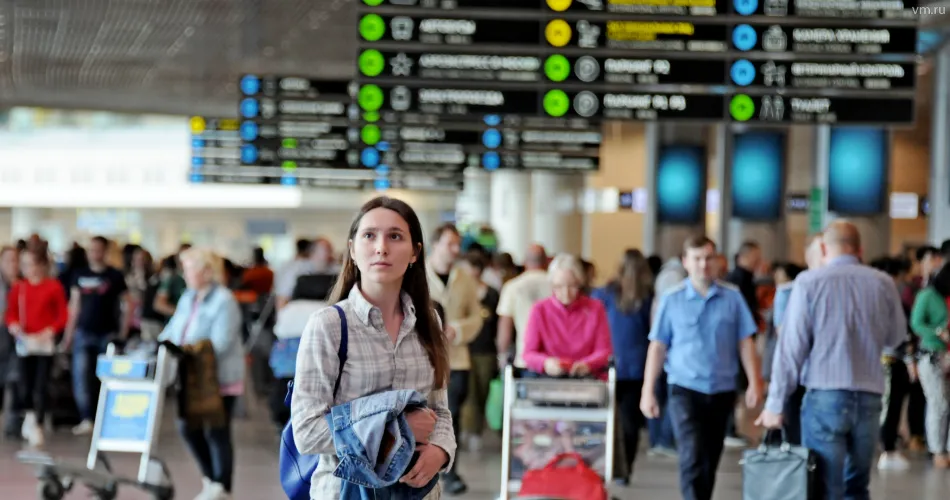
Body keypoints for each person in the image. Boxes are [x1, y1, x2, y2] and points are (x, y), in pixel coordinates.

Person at [291, 196, 455, 500]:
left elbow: (439, 410)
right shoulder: (329, 325)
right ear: (353, 250)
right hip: (346, 491)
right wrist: (395, 431)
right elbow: (307, 433)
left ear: (415, 252)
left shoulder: (428, 320)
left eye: (395, 236)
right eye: (369, 235)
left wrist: (441, 450)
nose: (381, 247)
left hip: (418, 493)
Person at [758, 221, 907, 499]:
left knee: (826, 483)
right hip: (869, 396)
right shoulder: (883, 283)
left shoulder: (808, 282)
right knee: (858, 484)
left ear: (824, 248)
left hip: (825, 396)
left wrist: (775, 403)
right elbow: (896, 336)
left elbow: (791, 349)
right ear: (860, 249)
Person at [641, 235, 761, 500]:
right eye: (696, 259)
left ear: (718, 261)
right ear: (686, 262)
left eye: (708, 258)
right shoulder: (671, 299)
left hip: (721, 389)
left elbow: (745, 342)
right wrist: (647, 390)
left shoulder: (732, 298)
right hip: (684, 388)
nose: (703, 265)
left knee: (710, 457)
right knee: (691, 453)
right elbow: (658, 346)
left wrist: (755, 381)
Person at [158, 248, 245, 500]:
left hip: (218, 378)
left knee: (217, 431)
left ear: (207, 271)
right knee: (187, 427)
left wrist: (185, 350)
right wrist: (161, 343)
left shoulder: (224, 300)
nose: (185, 274)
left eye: (189, 269)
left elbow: (221, 342)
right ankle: (210, 479)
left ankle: (222, 487)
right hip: (190, 377)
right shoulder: (188, 297)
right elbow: (173, 329)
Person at [424, 223, 483, 495]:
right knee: (424, 415)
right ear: (435, 244)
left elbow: (476, 316)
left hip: (457, 360)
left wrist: (457, 329)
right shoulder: (417, 274)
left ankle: (451, 471)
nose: (455, 250)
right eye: (450, 244)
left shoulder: (465, 278)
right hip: (424, 359)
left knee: (453, 415)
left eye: (458, 244)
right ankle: (423, 468)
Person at [591, 249, 653, 484]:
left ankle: (603, 465)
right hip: (636, 368)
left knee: (604, 420)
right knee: (630, 424)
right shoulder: (647, 297)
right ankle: (623, 470)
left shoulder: (605, 294)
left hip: (607, 366)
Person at [63, 236, 132, 436]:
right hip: (84, 332)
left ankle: (108, 418)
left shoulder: (115, 276)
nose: (95, 253)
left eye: (98, 249)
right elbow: (74, 307)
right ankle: (87, 417)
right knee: (81, 377)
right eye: (91, 249)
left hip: (107, 333)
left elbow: (127, 304)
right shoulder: (79, 274)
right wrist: (68, 336)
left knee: (108, 378)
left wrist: (123, 332)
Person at [4, 249, 68, 447]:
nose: (26, 269)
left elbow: (62, 314)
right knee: (24, 383)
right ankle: (29, 416)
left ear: (41, 265)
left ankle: (38, 421)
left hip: (44, 342)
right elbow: (10, 313)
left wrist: (52, 330)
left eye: (30, 264)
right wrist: (13, 325)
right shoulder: (19, 288)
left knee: (41, 384)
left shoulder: (53, 287)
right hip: (25, 340)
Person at [522, 253, 612, 380]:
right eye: (559, 286)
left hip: (586, 378)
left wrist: (588, 364)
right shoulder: (539, 309)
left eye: (572, 286)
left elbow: (604, 350)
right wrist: (546, 363)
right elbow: (529, 353)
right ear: (551, 285)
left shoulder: (595, 308)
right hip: (548, 379)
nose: (566, 292)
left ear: (579, 283)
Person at [909, 261, 950, 468]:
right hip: (930, 353)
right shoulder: (926, 295)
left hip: (945, 354)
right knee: (938, 403)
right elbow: (916, 324)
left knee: (945, 403)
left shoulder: (944, 298)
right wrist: (936, 332)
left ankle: (944, 448)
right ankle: (936, 450)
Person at [459, 252, 500, 452]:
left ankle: (476, 428)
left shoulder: (491, 293)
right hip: (464, 348)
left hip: (485, 349)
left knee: (482, 390)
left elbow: (497, 323)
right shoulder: (461, 292)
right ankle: (468, 430)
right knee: (467, 392)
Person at [723, 240, 762, 448]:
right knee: (735, 385)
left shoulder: (744, 280)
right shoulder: (738, 282)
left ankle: (731, 427)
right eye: (755, 257)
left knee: (738, 386)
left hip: (740, 342)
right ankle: (729, 428)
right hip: (736, 344)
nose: (759, 261)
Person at [496, 244, 549, 373]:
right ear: (547, 261)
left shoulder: (512, 287)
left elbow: (505, 326)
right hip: (554, 360)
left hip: (524, 357)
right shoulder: (558, 285)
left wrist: (502, 355)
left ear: (525, 262)